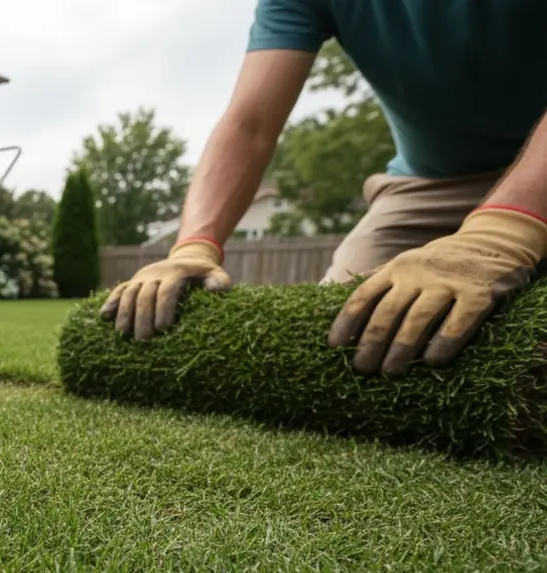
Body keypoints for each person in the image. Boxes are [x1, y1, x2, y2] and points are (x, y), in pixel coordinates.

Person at [101, 1, 547, 377]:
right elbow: (249, 126)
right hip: (429, 186)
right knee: (341, 339)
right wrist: (193, 245)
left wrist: (502, 233)